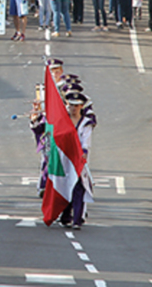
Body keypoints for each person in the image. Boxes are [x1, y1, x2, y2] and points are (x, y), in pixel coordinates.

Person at [59, 91, 94, 229]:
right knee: (66, 187)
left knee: (79, 187)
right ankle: (66, 215)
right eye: (71, 105)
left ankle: (77, 219)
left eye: (77, 105)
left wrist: (84, 152)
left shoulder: (86, 123)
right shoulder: (63, 120)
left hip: (78, 159)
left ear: (82, 106)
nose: (74, 108)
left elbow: (86, 141)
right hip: (64, 159)